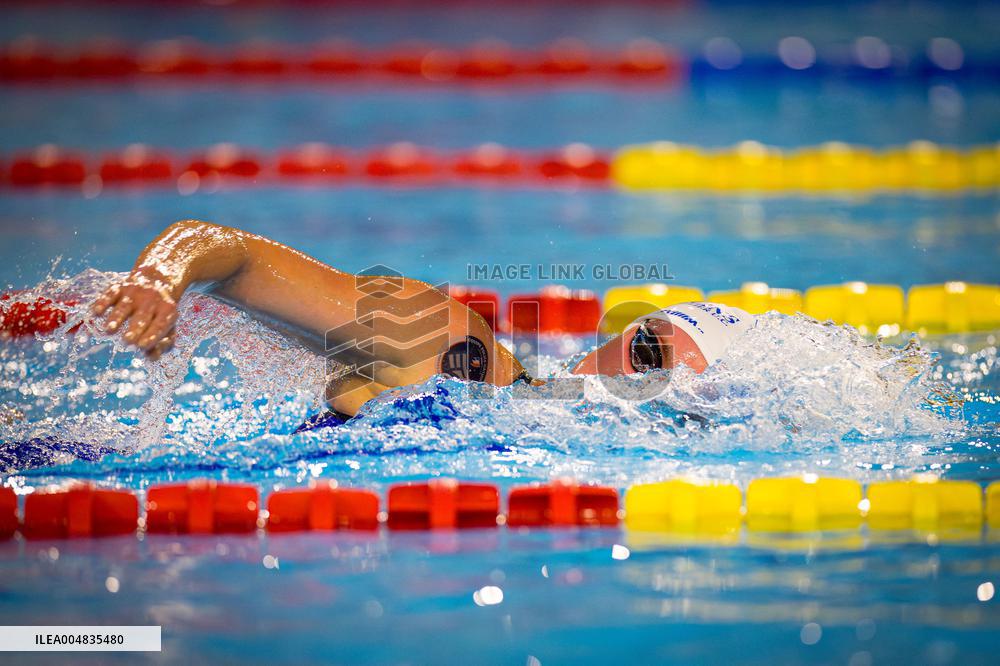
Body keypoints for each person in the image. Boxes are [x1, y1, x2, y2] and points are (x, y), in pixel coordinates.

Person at [93, 220, 755, 418]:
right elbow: (233, 255)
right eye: (646, 352)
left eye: (667, 384)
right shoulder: (452, 350)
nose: (637, 382)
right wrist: (158, 278)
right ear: (610, 340)